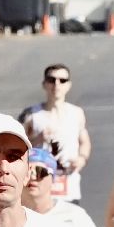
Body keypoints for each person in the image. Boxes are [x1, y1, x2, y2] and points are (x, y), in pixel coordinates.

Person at [21, 63, 92, 204]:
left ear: (69, 85)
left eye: (62, 80)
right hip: (37, 185)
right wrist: (37, 139)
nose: (56, 84)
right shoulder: (31, 114)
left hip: (68, 182)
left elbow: (84, 141)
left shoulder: (76, 113)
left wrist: (81, 159)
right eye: (51, 80)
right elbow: (16, 147)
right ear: (44, 84)